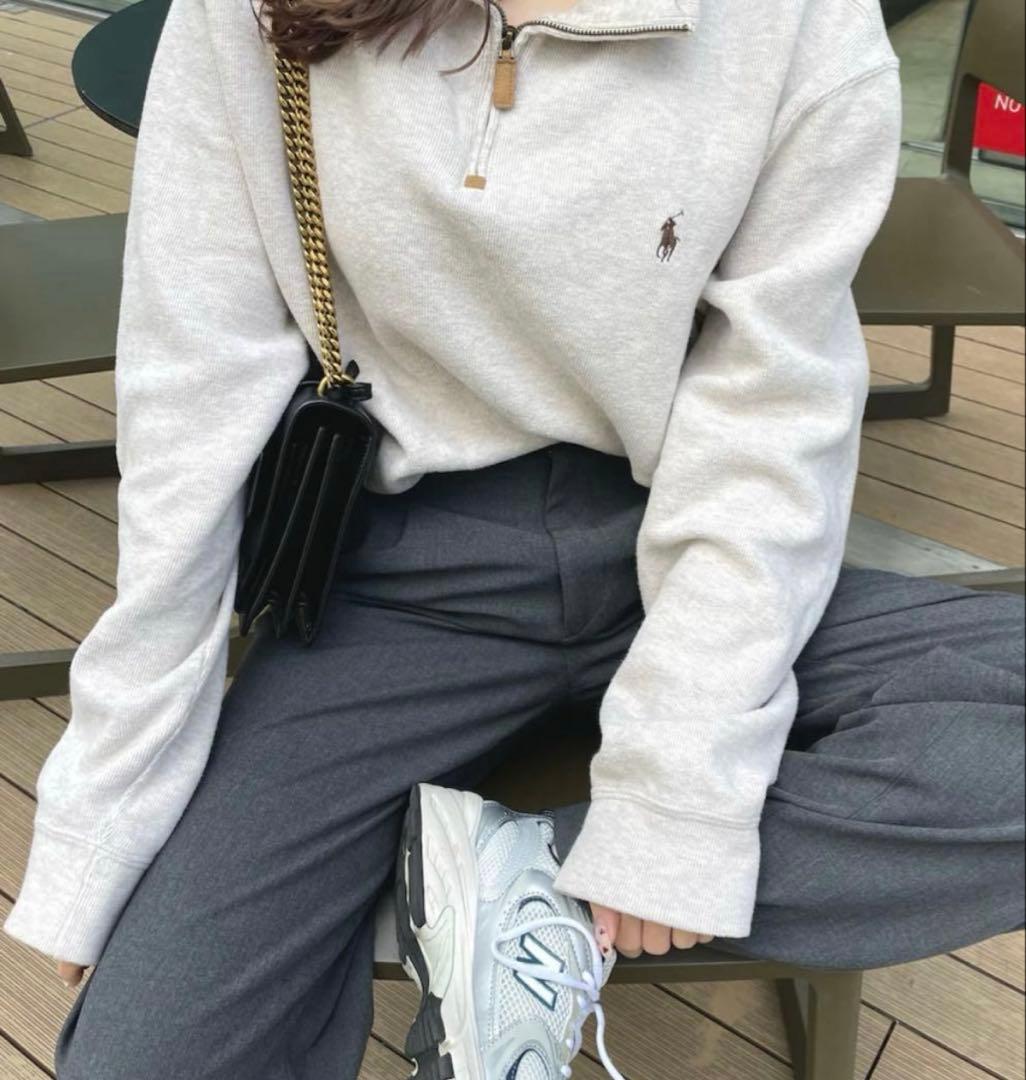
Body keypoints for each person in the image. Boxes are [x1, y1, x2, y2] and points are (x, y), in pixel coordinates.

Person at [3, 0, 1024, 1074]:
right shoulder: (248, 15)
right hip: (399, 579)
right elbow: (191, 399)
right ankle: (436, 899)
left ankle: (503, 897)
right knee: (148, 1057)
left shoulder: (798, 20)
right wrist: (107, 807)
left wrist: (673, 804)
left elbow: (769, 417)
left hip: (686, 544)